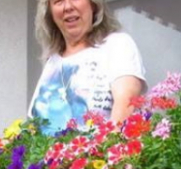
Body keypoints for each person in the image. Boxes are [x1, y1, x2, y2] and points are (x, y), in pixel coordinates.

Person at [30, 0, 146, 135]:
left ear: (93, 4)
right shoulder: (52, 61)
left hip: (100, 148)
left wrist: (106, 146)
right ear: (50, 12)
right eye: (58, 1)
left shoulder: (117, 44)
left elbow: (126, 104)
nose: (68, 7)